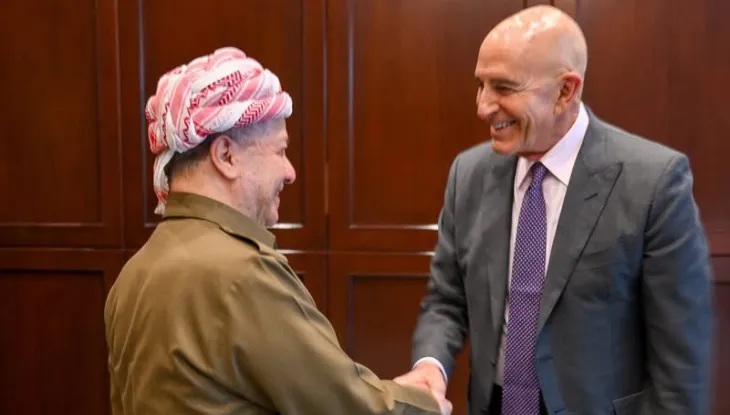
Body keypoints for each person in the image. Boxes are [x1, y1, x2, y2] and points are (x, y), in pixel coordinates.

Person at [394, 5, 713, 415]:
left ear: (565, 91)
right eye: (480, 85)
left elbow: (680, 364)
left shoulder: (654, 183)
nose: (483, 106)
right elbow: (446, 300)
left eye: (503, 88)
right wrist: (430, 365)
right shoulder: (469, 174)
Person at [104, 47, 451, 415]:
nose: (290, 172)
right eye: (280, 151)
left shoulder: (132, 276)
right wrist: (428, 405)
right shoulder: (242, 274)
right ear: (226, 156)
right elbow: (346, 406)